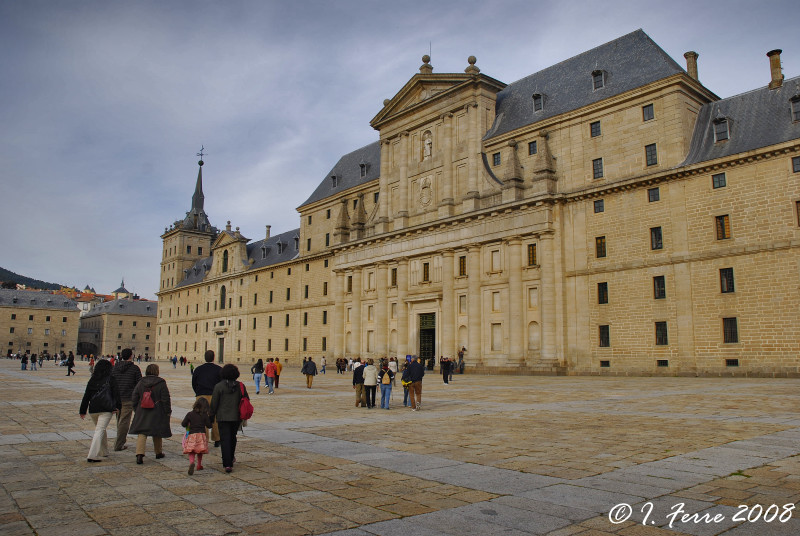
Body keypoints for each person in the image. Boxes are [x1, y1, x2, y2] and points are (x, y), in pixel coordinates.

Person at [79, 359, 121, 462]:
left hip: (93, 409)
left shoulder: (93, 379)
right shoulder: (111, 379)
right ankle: (92, 455)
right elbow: (116, 394)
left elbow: (87, 395)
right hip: (106, 409)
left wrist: (82, 410)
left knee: (101, 429)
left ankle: (104, 452)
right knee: (100, 430)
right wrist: (118, 406)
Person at [130, 364, 172, 464]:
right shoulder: (161, 383)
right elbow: (166, 399)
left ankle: (139, 455)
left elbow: (134, 397)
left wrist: (137, 409)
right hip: (157, 411)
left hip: (142, 410)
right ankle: (158, 452)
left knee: (142, 432)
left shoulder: (141, 382)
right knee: (157, 430)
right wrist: (167, 411)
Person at [210, 364, 248, 473]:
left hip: (222, 417)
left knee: (225, 439)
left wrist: (211, 416)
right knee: (232, 437)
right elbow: (246, 399)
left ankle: (227, 464)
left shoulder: (219, 386)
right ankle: (231, 458)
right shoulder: (241, 385)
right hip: (236, 417)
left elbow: (214, 403)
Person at [111, 348, 142, 451]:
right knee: (124, 422)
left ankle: (120, 441)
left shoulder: (115, 367)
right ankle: (118, 444)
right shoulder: (135, 369)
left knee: (119, 420)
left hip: (116, 398)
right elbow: (139, 385)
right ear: (131, 356)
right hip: (128, 398)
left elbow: (111, 382)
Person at [192, 350, 222, 446]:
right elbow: (221, 383)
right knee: (216, 417)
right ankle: (217, 439)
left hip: (201, 396)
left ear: (205, 357)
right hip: (214, 396)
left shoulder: (198, 369)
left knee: (201, 417)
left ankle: (204, 440)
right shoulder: (218, 369)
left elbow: (194, 383)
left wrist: (198, 392)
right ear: (214, 357)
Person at [181, 397, 212, 475]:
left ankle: (191, 462)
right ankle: (199, 465)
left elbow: (183, 424)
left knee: (191, 450)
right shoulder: (204, 415)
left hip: (192, 435)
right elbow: (209, 425)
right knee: (199, 450)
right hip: (201, 435)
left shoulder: (190, 414)